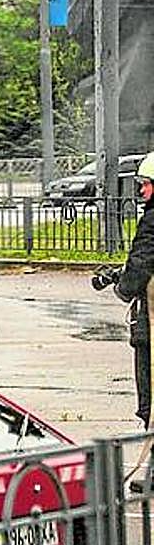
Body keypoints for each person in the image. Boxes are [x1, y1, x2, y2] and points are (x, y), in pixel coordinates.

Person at [115, 152, 154, 484]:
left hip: (152, 325)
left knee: (151, 396)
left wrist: (122, 288)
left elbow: (140, 265)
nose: (140, 192)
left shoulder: (152, 220)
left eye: (144, 186)